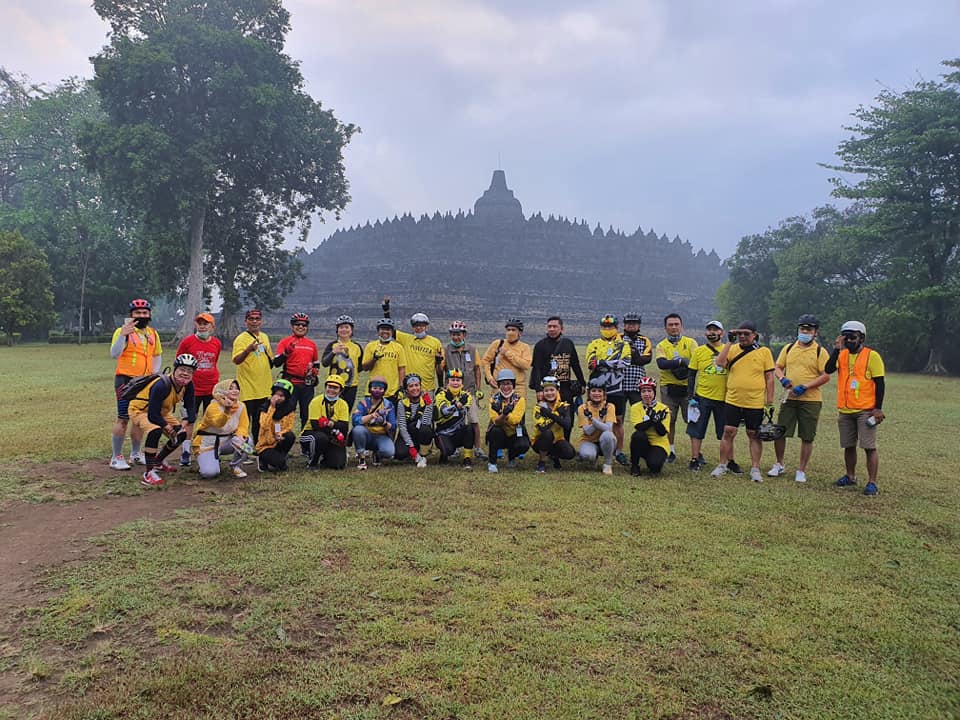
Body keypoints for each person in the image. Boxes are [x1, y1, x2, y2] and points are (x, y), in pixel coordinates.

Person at [825, 320, 886, 496]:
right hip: (845, 410)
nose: (849, 341)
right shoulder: (842, 355)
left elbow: (880, 384)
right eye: (846, 337)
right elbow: (828, 369)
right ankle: (850, 476)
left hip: (865, 410)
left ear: (862, 338)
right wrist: (837, 349)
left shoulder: (872, 356)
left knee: (869, 446)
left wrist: (878, 408)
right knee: (848, 445)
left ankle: (872, 482)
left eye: (853, 337)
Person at [767, 314, 831, 483]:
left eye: (808, 329)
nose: (805, 332)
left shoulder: (820, 351)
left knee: (807, 436)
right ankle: (779, 464)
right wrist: (783, 379)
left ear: (815, 332)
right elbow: (778, 367)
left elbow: (826, 376)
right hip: (789, 397)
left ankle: (801, 470)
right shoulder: (789, 348)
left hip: (811, 400)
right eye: (802, 329)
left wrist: (806, 386)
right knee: (780, 431)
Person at [710, 321, 775, 483]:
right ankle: (722, 465)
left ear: (754, 335)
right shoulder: (732, 349)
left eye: (746, 334)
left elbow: (769, 377)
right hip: (733, 399)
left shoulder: (764, 352)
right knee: (728, 431)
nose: (743, 337)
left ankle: (755, 468)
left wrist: (769, 401)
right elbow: (719, 363)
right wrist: (729, 342)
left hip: (754, 401)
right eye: (740, 334)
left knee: (753, 434)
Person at [128, 353, 198, 488]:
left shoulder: (188, 386)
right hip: (141, 409)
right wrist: (167, 426)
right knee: (155, 430)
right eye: (182, 369)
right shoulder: (161, 385)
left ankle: (158, 461)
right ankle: (148, 473)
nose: (185, 374)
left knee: (181, 434)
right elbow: (153, 416)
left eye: (189, 371)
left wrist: (186, 421)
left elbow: (191, 408)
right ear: (175, 369)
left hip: (160, 411)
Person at [110, 298, 163, 470]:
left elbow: (157, 355)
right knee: (123, 418)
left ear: (149, 315)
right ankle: (116, 457)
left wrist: (154, 376)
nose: (141, 315)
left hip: (145, 382)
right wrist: (123, 334)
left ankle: (135, 453)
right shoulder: (123, 331)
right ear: (131, 315)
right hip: (126, 380)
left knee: (139, 419)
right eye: (137, 313)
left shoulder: (153, 333)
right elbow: (114, 354)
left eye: (145, 313)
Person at [685, 320, 742, 474]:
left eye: (715, 330)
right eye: (709, 330)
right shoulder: (699, 351)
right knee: (697, 430)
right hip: (703, 396)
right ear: (705, 333)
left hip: (725, 398)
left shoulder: (729, 349)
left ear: (721, 333)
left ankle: (730, 461)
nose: (712, 333)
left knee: (727, 432)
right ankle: (695, 458)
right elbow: (691, 374)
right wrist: (690, 395)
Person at [585, 314, 632, 466]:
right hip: (596, 388)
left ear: (616, 328)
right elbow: (591, 364)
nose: (607, 329)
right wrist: (611, 362)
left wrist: (602, 362)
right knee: (593, 418)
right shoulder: (594, 343)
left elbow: (625, 362)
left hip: (616, 388)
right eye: (604, 327)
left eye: (610, 327)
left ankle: (619, 452)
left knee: (617, 421)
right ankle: (594, 448)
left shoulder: (623, 345)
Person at [176, 312, 222, 466]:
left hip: (212, 388)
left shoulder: (216, 343)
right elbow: (179, 363)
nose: (202, 326)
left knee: (211, 420)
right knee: (189, 420)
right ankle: (186, 451)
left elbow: (214, 361)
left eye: (205, 324)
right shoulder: (187, 342)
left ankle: (209, 448)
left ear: (212, 327)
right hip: (192, 389)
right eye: (199, 323)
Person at [529, 317, 587, 437]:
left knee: (568, 418)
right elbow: (537, 369)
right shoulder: (540, 345)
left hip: (565, 387)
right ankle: (549, 447)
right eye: (549, 326)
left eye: (555, 326)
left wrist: (583, 383)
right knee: (547, 418)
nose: (552, 329)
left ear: (562, 328)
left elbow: (575, 364)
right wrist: (539, 390)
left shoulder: (568, 344)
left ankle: (565, 443)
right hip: (548, 388)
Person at [655, 313, 699, 464]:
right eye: (670, 325)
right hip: (668, 388)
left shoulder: (691, 342)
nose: (674, 327)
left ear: (681, 326)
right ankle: (670, 450)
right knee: (669, 420)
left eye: (676, 324)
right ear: (665, 328)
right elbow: (661, 364)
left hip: (688, 389)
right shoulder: (662, 345)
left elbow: (695, 363)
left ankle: (696, 452)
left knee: (692, 420)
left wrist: (674, 363)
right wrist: (681, 361)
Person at [442, 320, 485, 459]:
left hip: (469, 391)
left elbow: (477, 370)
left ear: (464, 335)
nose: (456, 337)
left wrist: (478, 388)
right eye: (453, 334)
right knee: (453, 421)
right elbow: (440, 369)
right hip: (452, 393)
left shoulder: (472, 350)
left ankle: (478, 448)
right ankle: (454, 448)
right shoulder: (446, 350)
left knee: (473, 421)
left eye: (458, 334)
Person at [191, 379, 251, 479]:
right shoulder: (213, 406)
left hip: (227, 441)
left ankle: (236, 466)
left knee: (247, 441)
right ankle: (208, 461)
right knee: (209, 473)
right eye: (230, 388)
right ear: (222, 391)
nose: (235, 391)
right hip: (208, 444)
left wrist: (240, 436)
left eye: (237, 388)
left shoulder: (241, 406)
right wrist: (227, 410)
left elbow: (243, 426)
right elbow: (218, 424)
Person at [382, 297, 444, 393]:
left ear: (427, 327)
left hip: (427, 388)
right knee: (408, 408)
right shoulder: (406, 339)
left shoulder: (435, 342)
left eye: (422, 325)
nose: (419, 328)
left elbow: (439, 367)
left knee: (428, 408)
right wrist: (386, 311)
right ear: (412, 327)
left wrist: (441, 386)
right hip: (409, 387)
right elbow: (391, 330)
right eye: (416, 326)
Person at [232, 309, 273, 449]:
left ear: (261, 321)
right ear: (246, 321)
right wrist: (248, 350)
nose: (254, 321)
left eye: (257, 319)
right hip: (247, 388)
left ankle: (258, 446)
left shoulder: (265, 337)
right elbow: (236, 360)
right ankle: (243, 449)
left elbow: (270, 359)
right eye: (251, 319)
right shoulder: (241, 339)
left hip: (264, 387)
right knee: (245, 422)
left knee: (260, 421)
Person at [273, 312, 320, 431]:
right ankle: (283, 436)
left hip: (307, 384)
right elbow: (276, 362)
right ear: (292, 326)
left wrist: (314, 371)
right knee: (286, 412)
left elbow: (316, 363)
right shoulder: (285, 342)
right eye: (297, 324)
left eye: (304, 325)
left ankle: (305, 439)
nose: (301, 327)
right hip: (290, 383)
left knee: (307, 413)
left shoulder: (311, 344)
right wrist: (286, 353)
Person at [299, 375, 350, 470]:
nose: (331, 390)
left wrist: (331, 424)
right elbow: (315, 425)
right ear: (325, 387)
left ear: (341, 390)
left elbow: (344, 427)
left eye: (335, 388)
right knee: (321, 438)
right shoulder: (316, 402)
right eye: (329, 387)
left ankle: (325, 456)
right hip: (311, 434)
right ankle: (312, 462)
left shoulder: (343, 404)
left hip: (331, 434)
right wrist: (334, 428)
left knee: (338, 465)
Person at [486, 369, 529, 473]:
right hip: (499, 433)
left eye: (508, 383)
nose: (506, 387)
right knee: (495, 431)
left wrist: (502, 412)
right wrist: (504, 413)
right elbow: (496, 421)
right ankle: (492, 462)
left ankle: (512, 456)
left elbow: (515, 420)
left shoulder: (520, 400)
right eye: (503, 384)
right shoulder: (493, 400)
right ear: (499, 385)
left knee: (523, 445)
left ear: (513, 385)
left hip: (514, 433)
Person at [628, 376, 671, 477]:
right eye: (643, 391)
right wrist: (653, 419)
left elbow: (662, 432)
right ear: (640, 393)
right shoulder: (635, 407)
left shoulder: (664, 408)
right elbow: (639, 427)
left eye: (649, 391)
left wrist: (657, 422)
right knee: (637, 436)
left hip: (659, 443)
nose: (646, 394)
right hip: (643, 441)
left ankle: (652, 459)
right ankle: (635, 465)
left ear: (654, 392)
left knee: (654, 467)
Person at [351, 375, 397, 470]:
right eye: (374, 388)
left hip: (381, 435)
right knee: (358, 430)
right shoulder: (363, 403)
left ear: (384, 390)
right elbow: (355, 420)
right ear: (370, 389)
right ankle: (362, 458)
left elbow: (393, 426)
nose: (377, 391)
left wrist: (383, 422)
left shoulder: (388, 405)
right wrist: (371, 416)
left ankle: (377, 454)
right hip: (366, 435)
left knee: (389, 452)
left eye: (380, 388)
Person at [434, 369, 476, 470]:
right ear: (448, 381)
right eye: (452, 380)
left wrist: (455, 403)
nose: (455, 383)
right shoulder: (441, 395)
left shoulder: (467, 395)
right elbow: (445, 412)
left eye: (458, 380)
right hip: (443, 432)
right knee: (449, 451)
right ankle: (444, 454)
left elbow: (466, 406)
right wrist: (457, 404)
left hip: (458, 432)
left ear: (462, 382)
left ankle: (467, 458)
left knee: (469, 428)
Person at [532, 376, 575, 473]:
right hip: (539, 441)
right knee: (547, 434)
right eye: (546, 390)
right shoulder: (538, 407)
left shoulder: (564, 406)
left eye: (552, 390)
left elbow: (567, 425)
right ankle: (541, 462)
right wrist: (558, 416)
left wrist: (551, 415)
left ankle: (554, 456)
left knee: (570, 453)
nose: (549, 393)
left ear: (558, 390)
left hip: (557, 440)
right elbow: (543, 427)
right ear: (543, 392)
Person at [320, 315, 363, 410]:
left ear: (351, 330)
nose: (344, 330)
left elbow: (360, 366)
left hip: (351, 386)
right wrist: (333, 352)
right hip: (334, 385)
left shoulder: (357, 347)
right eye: (341, 327)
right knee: (331, 411)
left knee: (346, 411)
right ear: (337, 330)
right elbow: (324, 363)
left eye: (347, 327)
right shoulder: (332, 345)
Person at [577, 378, 618, 475]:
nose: (596, 394)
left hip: (605, 440)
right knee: (587, 455)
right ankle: (593, 458)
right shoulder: (583, 408)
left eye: (600, 391)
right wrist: (599, 421)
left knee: (608, 435)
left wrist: (594, 421)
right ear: (589, 393)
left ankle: (607, 464)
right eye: (593, 391)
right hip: (589, 440)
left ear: (604, 394)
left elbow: (608, 428)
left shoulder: (609, 406)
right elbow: (587, 431)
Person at [256, 379, 298, 472]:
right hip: (265, 445)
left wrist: (281, 434)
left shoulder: (289, 409)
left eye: (281, 396)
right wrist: (272, 407)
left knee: (290, 436)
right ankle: (262, 459)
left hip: (278, 441)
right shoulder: (265, 407)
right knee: (281, 464)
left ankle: (280, 455)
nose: (278, 398)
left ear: (286, 397)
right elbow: (264, 425)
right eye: (276, 394)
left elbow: (289, 426)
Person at [394, 374, 435, 468]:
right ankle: (414, 451)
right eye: (411, 386)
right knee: (399, 454)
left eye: (417, 385)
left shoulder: (427, 400)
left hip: (421, 431)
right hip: (408, 433)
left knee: (426, 429)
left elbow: (426, 422)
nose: (414, 388)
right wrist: (411, 447)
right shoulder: (402, 403)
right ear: (406, 389)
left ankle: (423, 453)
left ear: (420, 387)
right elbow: (402, 427)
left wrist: (428, 404)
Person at [481, 318, 533, 392]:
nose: (510, 332)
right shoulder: (498, 343)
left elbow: (526, 365)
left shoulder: (525, 347)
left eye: (513, 330)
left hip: (518, 387)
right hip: (499, 386)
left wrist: (507, 353)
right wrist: (489, 378)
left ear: (520, 333)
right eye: (508, 330)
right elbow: (486, 361)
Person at [361, 319, 407, 400]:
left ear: (392, 332)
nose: (385, 332)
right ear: (378, 331)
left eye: (388, 329)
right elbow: (365, 368)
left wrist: (401, 387)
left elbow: (401, 369)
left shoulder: (398, 347)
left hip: (392, 392)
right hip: (373, 390)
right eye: (382, 329)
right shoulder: (370, 346)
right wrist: (374, 359)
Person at [621, 311, 654, 413]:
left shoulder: (644, 341)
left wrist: (630, 356)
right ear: (624, 325)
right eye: (629, 323)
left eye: (634, 323)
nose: (631, 326)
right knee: (618, 417)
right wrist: (636, 356)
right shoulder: (618, 339)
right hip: (620, 383)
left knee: (640, 413)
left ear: (639, 325)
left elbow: (646, 359)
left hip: (637, 384)